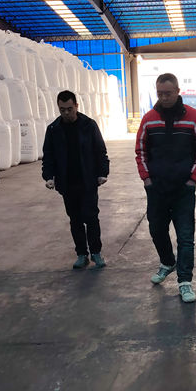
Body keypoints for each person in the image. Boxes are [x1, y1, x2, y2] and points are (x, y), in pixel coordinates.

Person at [135, 73, 196, 303]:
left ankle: (185, 281)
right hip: (156, 189)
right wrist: (147, 179)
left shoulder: (194, 118)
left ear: (178, 91)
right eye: (160, 93)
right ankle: (168, 262)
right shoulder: (149, 119)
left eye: (168, 93)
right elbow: (140, 151)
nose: (164, 97)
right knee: (157, 230)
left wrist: (192, 179)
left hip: (183, 190)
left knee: (185, 237)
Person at [42, 90, 109, 269]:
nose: (66, 113)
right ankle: (81, 254)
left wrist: (103, 172)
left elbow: (100, 150)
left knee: (91, 217)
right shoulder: (53, 129)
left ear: (76, 106)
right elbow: (48, 155)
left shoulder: (89, 125)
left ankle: (96, 252)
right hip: (67, 182)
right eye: (62, 109)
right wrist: (48, 176)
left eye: (69, 109)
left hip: (87, 180)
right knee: (75, 219)